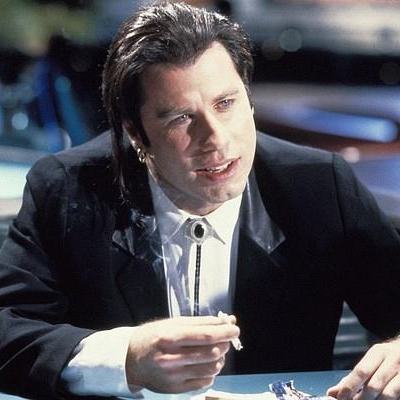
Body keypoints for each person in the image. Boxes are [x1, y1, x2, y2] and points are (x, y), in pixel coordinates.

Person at [0, 1, 400, 399]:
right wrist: (126, 358)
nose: (216, 139)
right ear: (135, 134)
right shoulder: (67, 188)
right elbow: (7, 333)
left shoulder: (319, 186)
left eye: (226, 103)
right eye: (181, 118)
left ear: (249, 98)